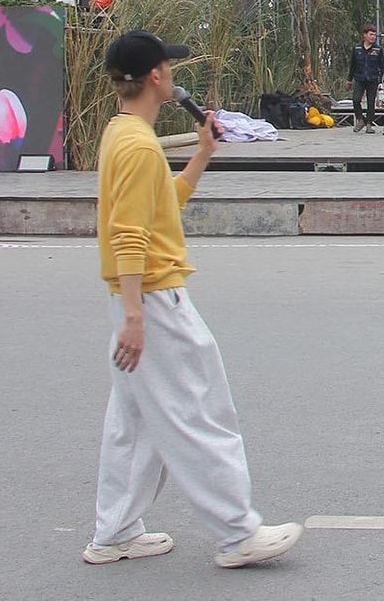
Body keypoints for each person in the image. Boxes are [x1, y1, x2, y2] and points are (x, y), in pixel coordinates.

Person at [87, 28, 303, 568]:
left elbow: (161, 204)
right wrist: (136, 316)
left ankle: (113, 532)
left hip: (138, 297)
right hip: (155, 300)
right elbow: (129, 233)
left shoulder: (122, 134)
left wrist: (202, 155)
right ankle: (237, 533)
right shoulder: (137, 145)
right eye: (171, 69)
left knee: (135, 422)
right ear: (156, 76)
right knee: (198, 410)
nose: (175, 77)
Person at [347, 25, 384, 133]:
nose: (373, 37)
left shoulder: (378, 49)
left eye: (374, 35)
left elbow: (382, 66)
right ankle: (360, 120)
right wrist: (349, 80)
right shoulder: (357, 48)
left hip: (373, 79)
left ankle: (369, 124)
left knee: (371, 101)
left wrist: (382, 81)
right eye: (371, 34)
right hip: (359, 78)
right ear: (365, 35)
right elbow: (352, 65)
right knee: (356, 99)